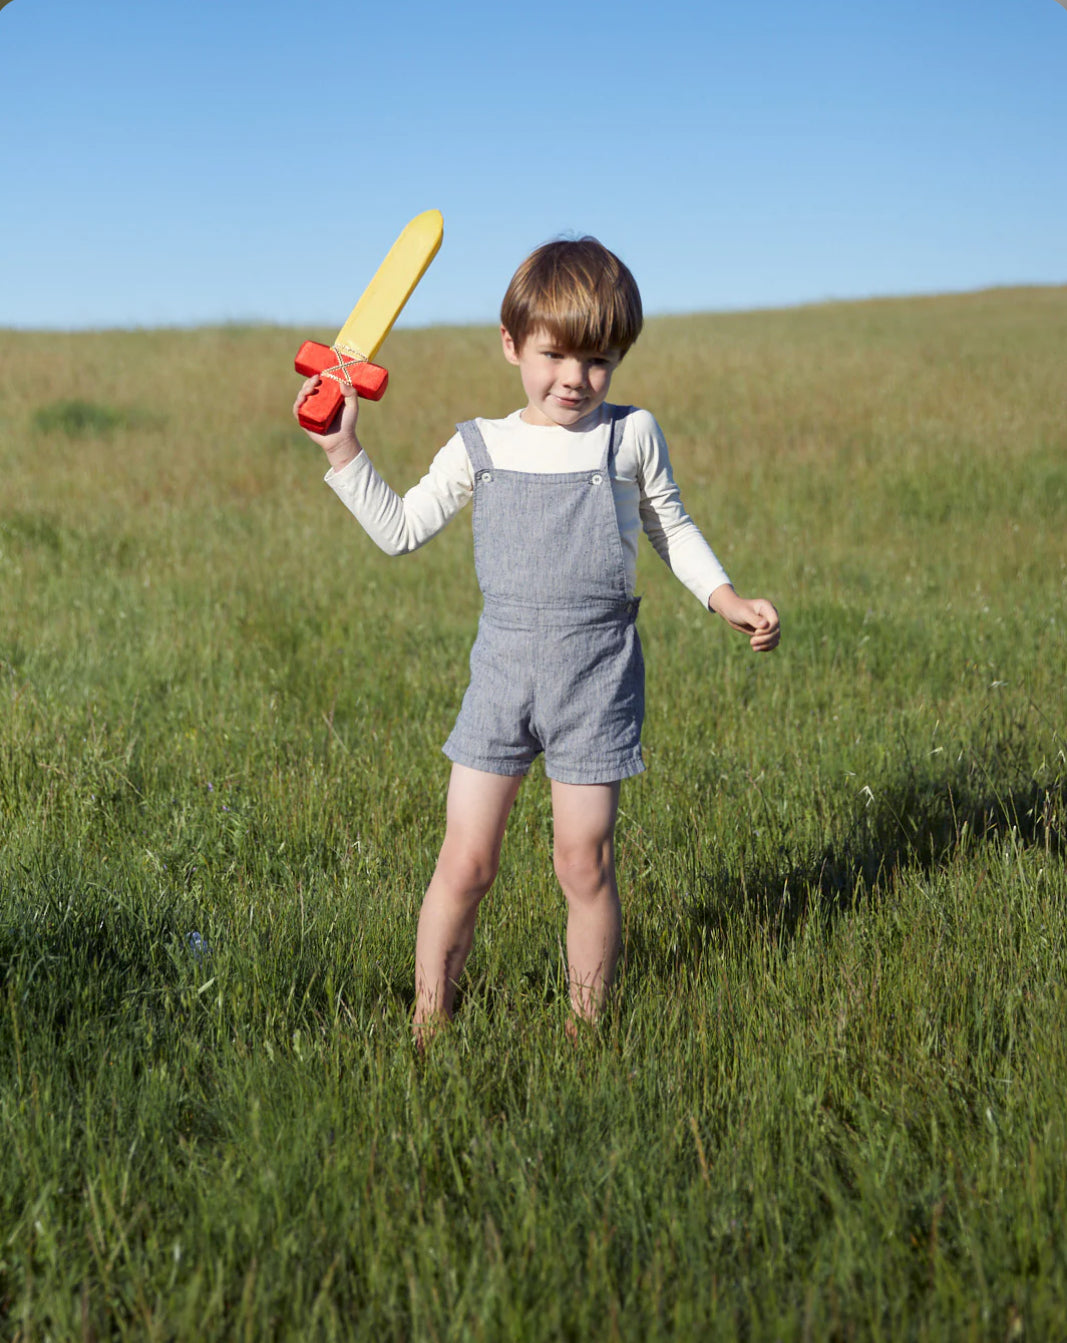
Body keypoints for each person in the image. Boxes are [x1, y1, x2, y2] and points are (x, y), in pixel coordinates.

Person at [293, 236, 780, 1044]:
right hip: (502, 674)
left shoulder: (630, 435)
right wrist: (343, 451)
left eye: (599, 360)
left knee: (581, 861)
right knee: (465, 862)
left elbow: (670, 524)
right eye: (554, 354)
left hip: (596, 676)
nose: (575, 379)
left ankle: (586, 1028)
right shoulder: (479, 444)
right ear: (511, 344)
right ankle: (428, 1021)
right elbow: (401, 530)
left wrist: (722, 596)